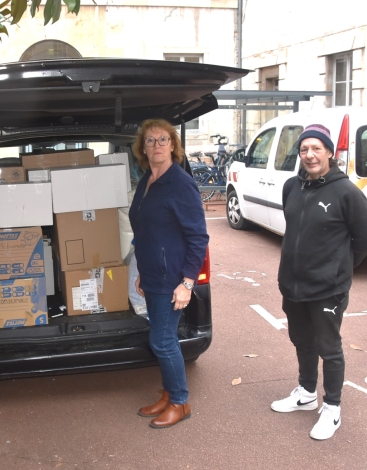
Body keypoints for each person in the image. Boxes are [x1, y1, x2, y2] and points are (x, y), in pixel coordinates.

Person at [271, 124, 367, 440]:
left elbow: (365, 240)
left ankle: (332, 407)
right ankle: (306, 393)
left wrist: (339, 269)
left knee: (329, 348)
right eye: (304, 149)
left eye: (317, 148)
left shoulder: (347, 192)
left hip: (328, 288)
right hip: (293, 283)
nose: (310, 155)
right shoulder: (292, 186)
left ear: (329, 152)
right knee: (302, 340)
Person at [128, 119, 209, 429]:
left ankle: (180, 402)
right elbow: (145, 231)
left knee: (162, 341)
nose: (157, 145)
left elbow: (198, 238)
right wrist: (141, 271)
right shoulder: (148, 180)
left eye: (163, 139)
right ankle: (168, 394)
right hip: (153, 274)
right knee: (162, 339)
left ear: (173, 145)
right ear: (143, 148)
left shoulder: (181, 183)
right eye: (150, 140)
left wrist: (187, 282)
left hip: (172, 278)